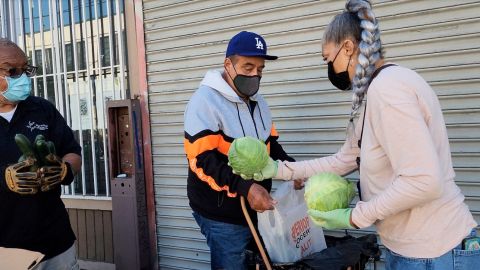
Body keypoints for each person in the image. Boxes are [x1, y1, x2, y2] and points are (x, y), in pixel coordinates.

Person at [231, 1, 479, 269]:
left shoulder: (388, 89)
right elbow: (343, 161)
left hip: (433, 251)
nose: (330, 68)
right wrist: (277, 169)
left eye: (329, 59)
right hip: (416, 248)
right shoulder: (378, 90)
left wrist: (355, 217)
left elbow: (424, 181)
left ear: (348, 48)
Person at [183, 31, 295, 269]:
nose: (255, 74)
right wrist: (244, 187)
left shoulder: (258, 102)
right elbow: (202, 161)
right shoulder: (204, 101)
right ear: (228, 64)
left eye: (260, 69)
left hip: (256, 209)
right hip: (221, 213)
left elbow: (271, 145)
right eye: (247, 67)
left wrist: (293, 169)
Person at [0, 39, 82, 269]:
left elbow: (73, 152)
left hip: (54, 242)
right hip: (5, 250)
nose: (22, 77)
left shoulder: (42, 109)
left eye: (25, 69)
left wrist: (65, 169)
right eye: (12, 70)